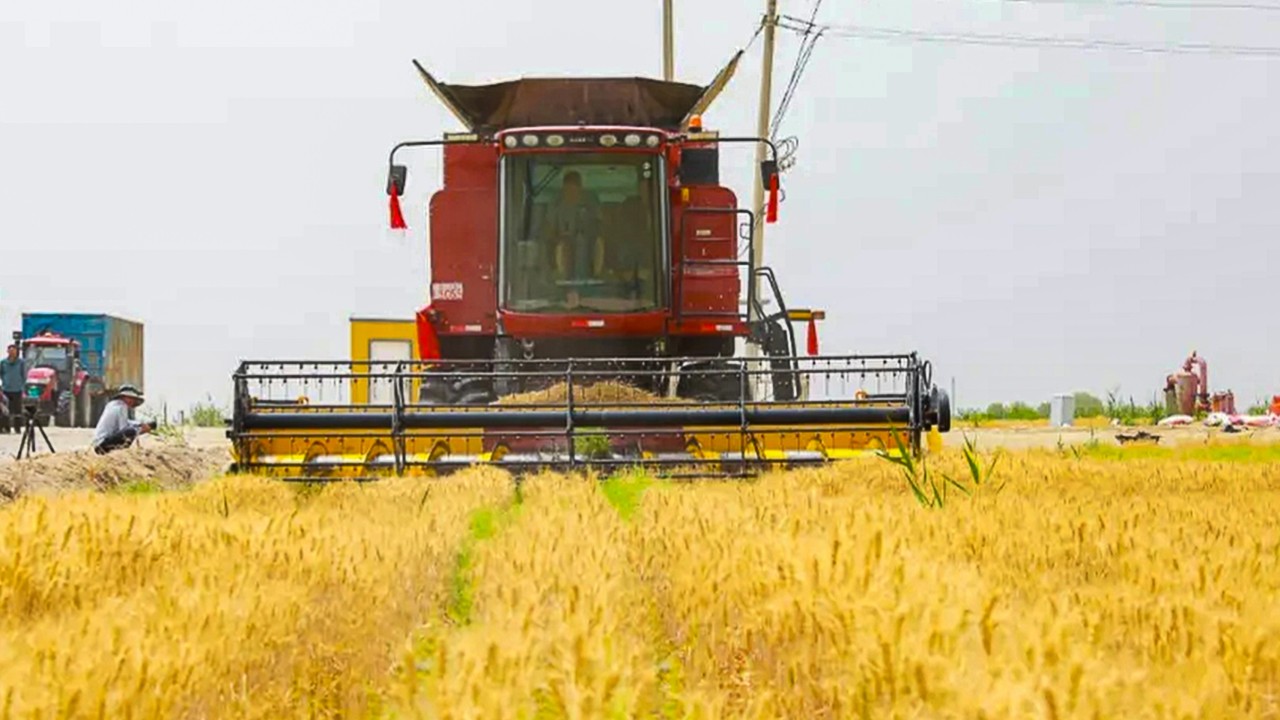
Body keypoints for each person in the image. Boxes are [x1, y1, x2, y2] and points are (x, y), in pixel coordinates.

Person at [542, 171, 603, 286]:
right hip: (563, 245)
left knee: (583, 243)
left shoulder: (591, 200)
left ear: (580, 188)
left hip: (588, 245)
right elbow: (549, 228)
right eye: (567, 190)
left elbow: (600, 224)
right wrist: (557, 241)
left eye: (574, 189)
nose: (571, 193)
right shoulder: (556, 203)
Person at [91, 384, 154, 455]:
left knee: (132, 429)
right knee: (130, 432)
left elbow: (125, 422)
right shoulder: (122, 407)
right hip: (103, 444)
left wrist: (139, 424)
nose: (132, 401)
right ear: (124, 397)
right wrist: (140, 430)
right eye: (130, 398)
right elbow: (123, 428)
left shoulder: (111, 405)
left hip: (98, 443)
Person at [1, 344, 24, 434]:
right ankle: (6, 428)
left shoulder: (21, 363)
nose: (12, 353)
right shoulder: (3, 363)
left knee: (17, 410)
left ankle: (17, 428)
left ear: (17, 352)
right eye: (10, 351)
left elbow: (23, 374)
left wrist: (22, 385)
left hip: (17, 390)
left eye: (14, 351)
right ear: (7, 352)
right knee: (5, 410)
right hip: (6, 390)